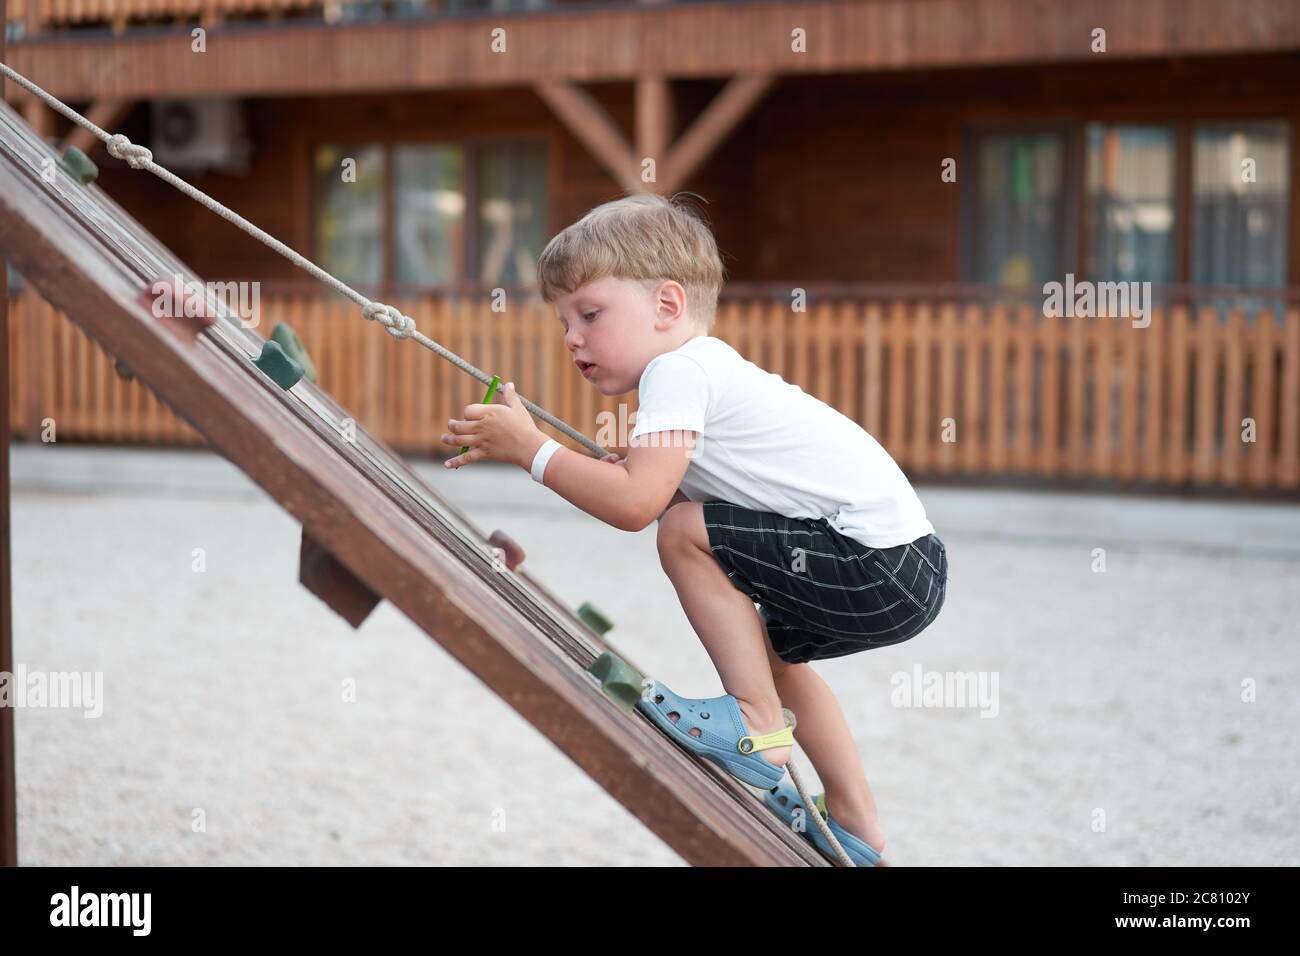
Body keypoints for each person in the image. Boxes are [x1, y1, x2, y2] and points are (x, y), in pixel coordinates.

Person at [440, 192, 948, 866]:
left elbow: (635, 506)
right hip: (905, 568)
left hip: (874, 562)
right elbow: (664, 482)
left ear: (668, 306)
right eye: (563, 321)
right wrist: (614, 469)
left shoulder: (677, 371)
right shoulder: (707, 370)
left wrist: (530, 449)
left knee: (681, 530)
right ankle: (856, 827)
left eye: (590, 313)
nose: (572, 338)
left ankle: (756, 725)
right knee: (773, 656)